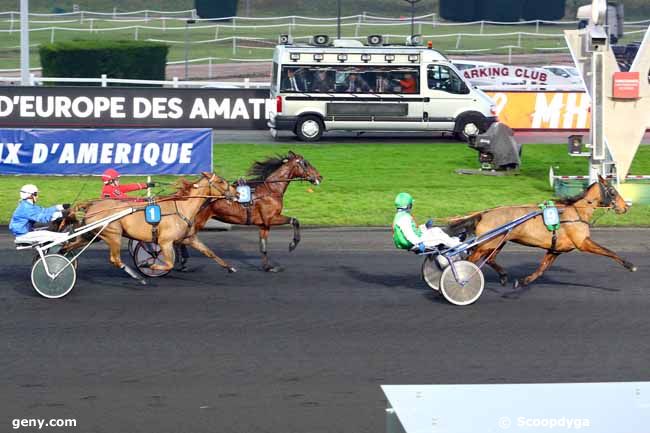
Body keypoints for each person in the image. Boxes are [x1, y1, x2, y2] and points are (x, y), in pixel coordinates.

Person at [392, 192, 461, 253]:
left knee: (436, 230)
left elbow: (415, 230)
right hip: (414, 242)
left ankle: (454, 241)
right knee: (440, 238)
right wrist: (419, 243)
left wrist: (425, 226)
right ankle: (460, 246)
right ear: (409, 206)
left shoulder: (401, 215)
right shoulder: (404, 218)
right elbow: (409, 234)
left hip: (415, 240)